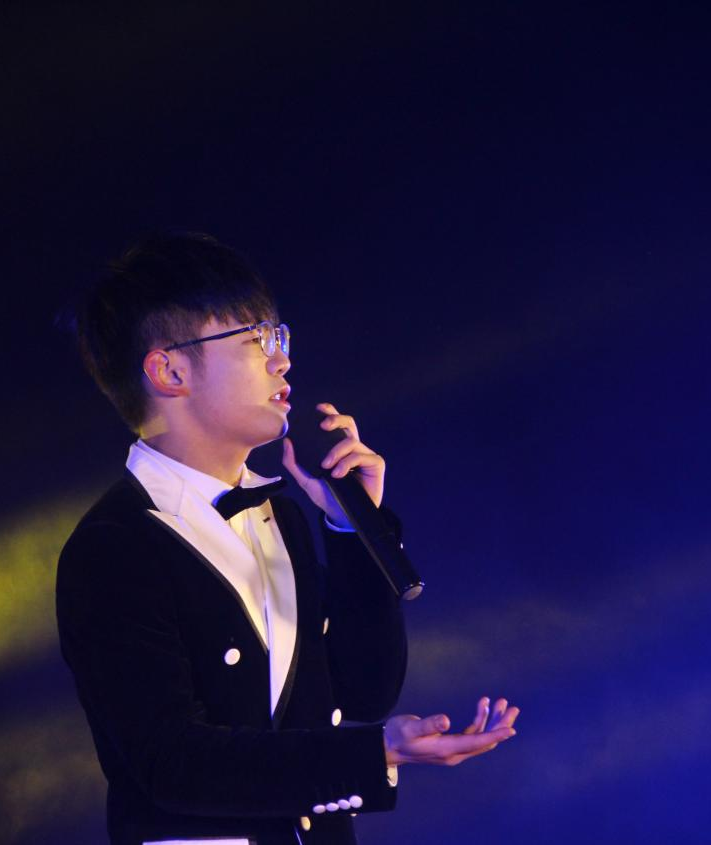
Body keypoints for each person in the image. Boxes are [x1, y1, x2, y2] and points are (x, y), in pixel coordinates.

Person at [56, 231, 519, 845]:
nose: (282, 362)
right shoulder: (114, 546)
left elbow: (363, 692)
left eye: (279, 338)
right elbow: (173, 763)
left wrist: (353, 529)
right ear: (169, 370)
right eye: (255, 341)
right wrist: (376, 753)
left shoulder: (283, 517)